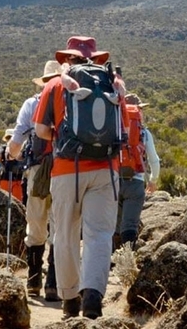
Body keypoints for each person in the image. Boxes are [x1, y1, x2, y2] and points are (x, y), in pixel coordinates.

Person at [34, 36, 123, 320]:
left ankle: (70, 299)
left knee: (65, 234)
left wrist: (62, 137)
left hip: (67, 170)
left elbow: (40, 130)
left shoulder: (54, 85)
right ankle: (93, 298)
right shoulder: (111, 82)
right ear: (95, 58)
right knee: (99, 234)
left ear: (67, 59)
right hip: (107, 169)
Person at [6, 60, 62, 301]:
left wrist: (10, 154)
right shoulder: (69, 102)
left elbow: (17, 140)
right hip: (65, 171)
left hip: (37, 171)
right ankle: (53, 284)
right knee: (59, 227)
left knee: (36, 224)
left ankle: (33, 280)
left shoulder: (32, 104)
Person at [115, 93, 161, 251]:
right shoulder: (144, 133)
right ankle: (128, 260)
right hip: (136, 183)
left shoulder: (114, 128)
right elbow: (154, 160)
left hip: (113, 181)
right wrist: (153, 180)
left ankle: (111, 262)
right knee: (130, 225)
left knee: (115, 223)